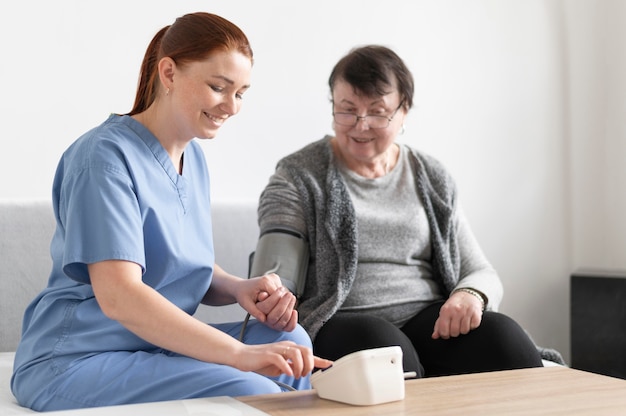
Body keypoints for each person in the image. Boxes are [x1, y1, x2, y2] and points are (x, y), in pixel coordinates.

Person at [11, 12, 330, 412]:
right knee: (257, 387)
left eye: (242, 93)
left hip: (153, 346)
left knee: (294, 342)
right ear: (168, 73)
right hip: (76, 360)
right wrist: (236, 354)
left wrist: (237, 288)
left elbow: (179, 263)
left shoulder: (192, 157)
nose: (232, 106)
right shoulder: (103, 159)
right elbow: (120, 296)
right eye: (219, 87)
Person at [257, 45, 551, 378]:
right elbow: (276, 272)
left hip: (428, 320)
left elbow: (480, 270)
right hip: (342, 319)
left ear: (403, 111)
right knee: (388, 351)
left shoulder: (430, 175)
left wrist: (470, 295)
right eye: (347, 110)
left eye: (377, 112)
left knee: (505, 340)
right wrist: (275, 294)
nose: (360, 125)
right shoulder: (299, 175)